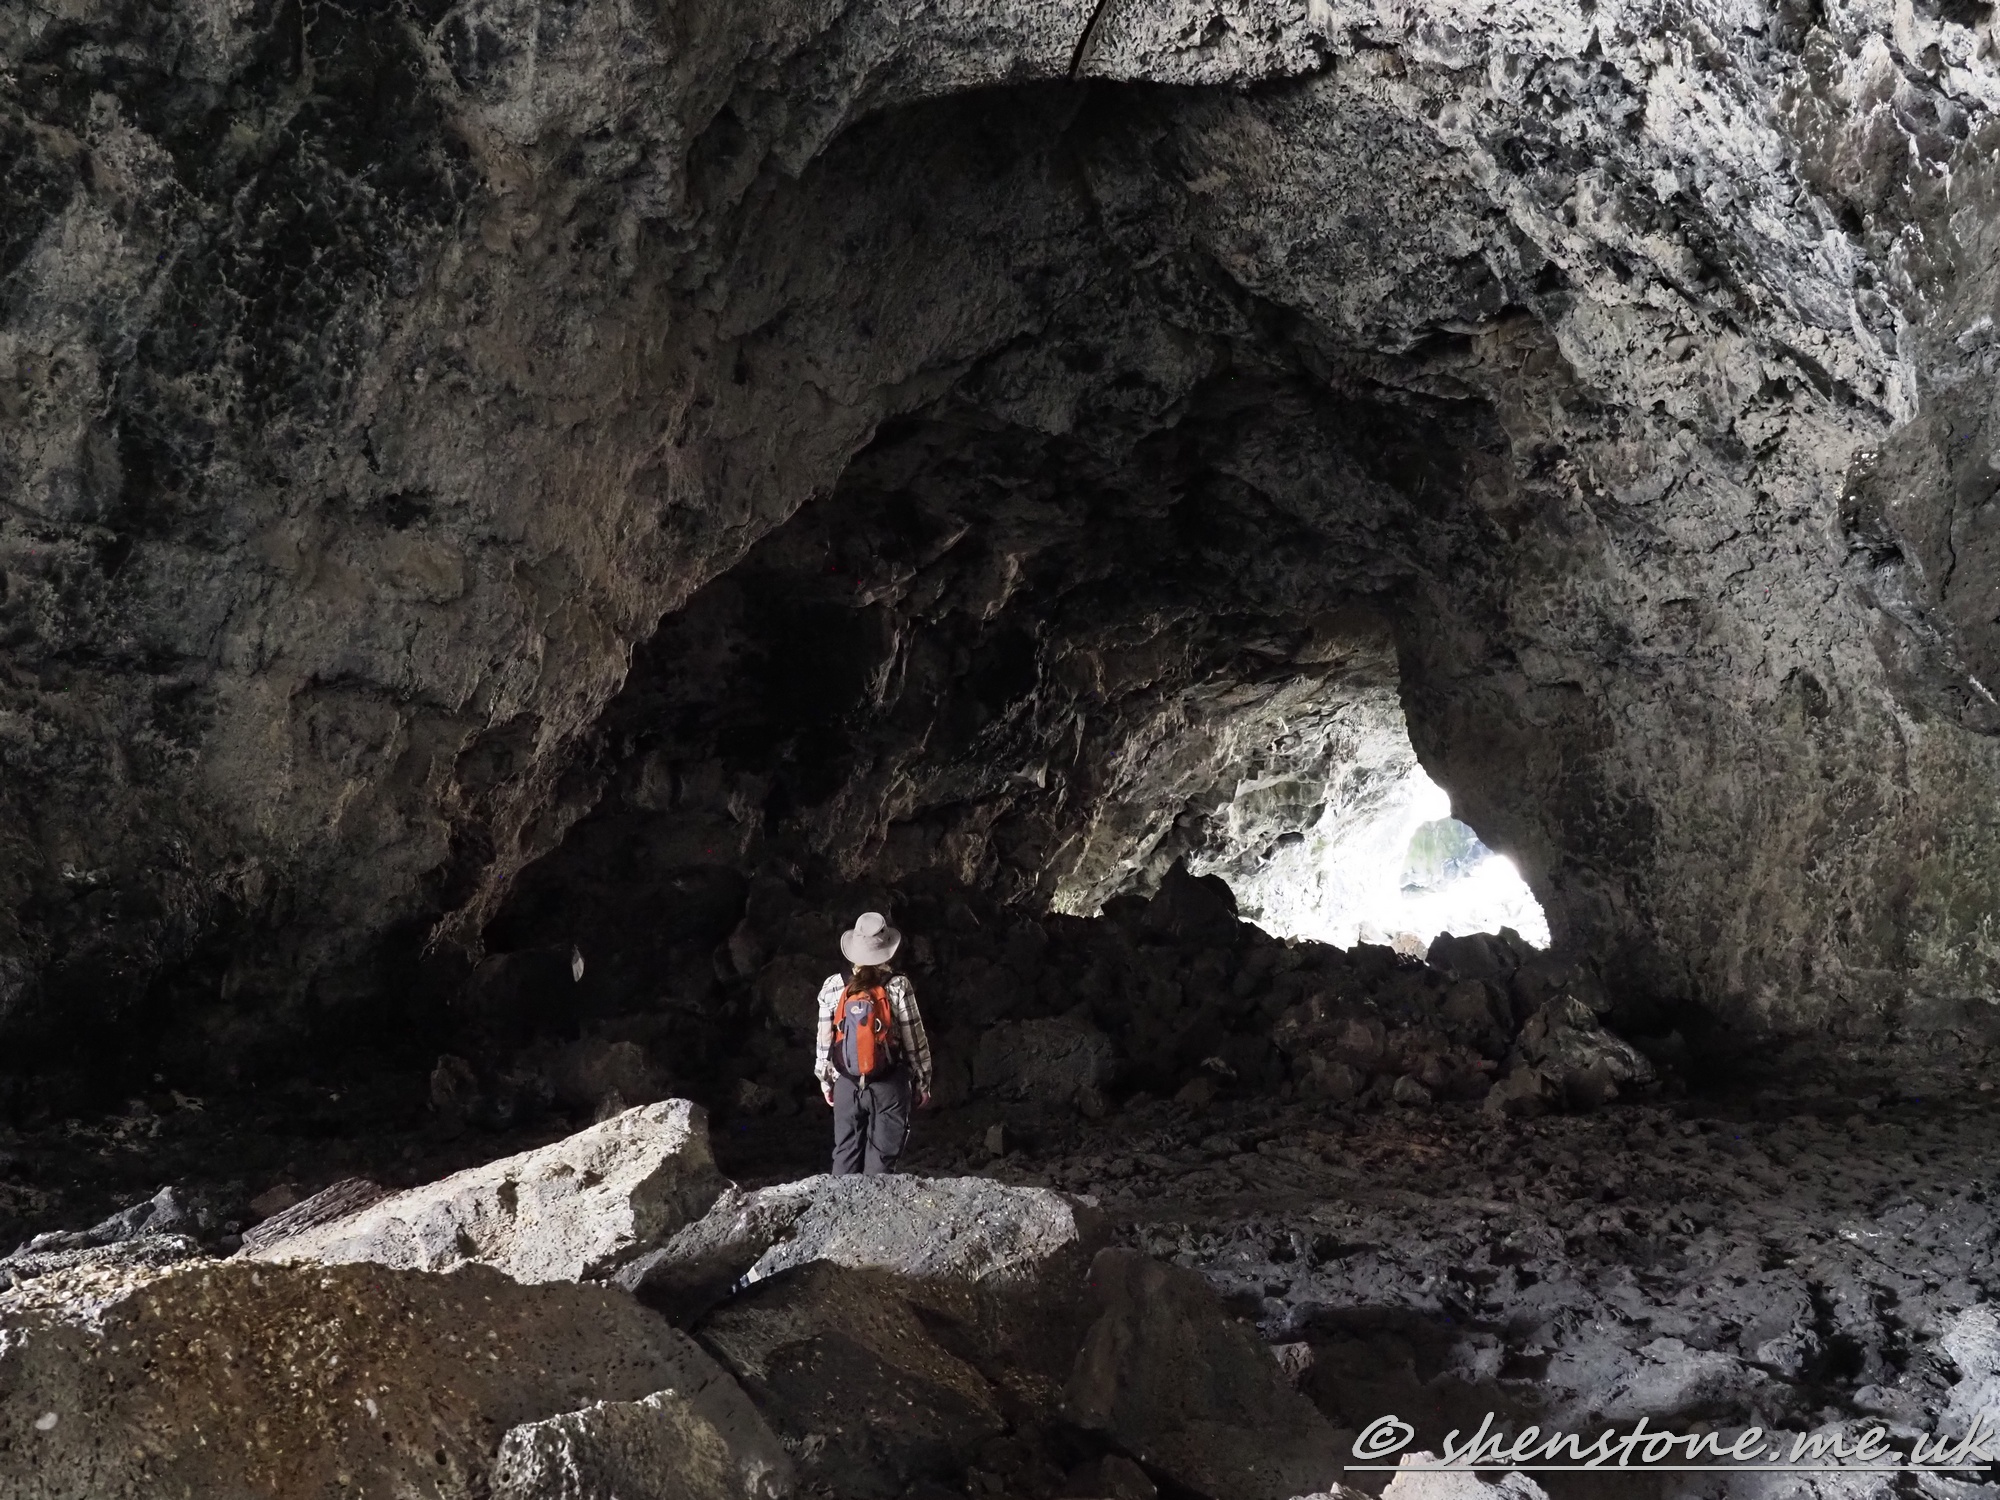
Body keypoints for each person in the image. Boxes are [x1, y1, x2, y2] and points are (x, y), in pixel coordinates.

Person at [813, 911, 933, 1175]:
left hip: (847, 1082)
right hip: (889, 1084)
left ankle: (838, 1212)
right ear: (887, 952)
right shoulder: (899, 985)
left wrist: (826, 1082)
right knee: (881, 1162)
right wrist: (922, 1082)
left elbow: (824, 1044)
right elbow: (915, 1040)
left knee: (844, 1155)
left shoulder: (833, 986)